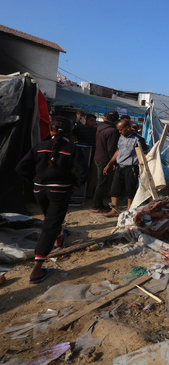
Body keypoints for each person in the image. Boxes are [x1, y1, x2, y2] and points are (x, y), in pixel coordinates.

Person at [16, 117, 88, 284]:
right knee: (50, 225)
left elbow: (20, 168)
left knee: (51, 218)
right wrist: (74, 186)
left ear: (50, 130)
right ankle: (36, 270)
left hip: (39, 190)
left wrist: (35, 180)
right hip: (60, 191)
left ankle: (58, 239)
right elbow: (83, 174)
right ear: (70, 132)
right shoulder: (72, 149)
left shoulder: (39, 146)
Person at [103, 120, 147, 217]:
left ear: (128, 128)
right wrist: (110, 163)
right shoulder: (121, 137)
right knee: (115, 189)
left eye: (121, 130)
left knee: (130, 190)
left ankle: (129, 210)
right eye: (118, 130)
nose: (119, 132)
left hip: (131, 168)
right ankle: (114, 210)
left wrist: (142, 169)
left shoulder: (138, 139)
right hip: (120, 167)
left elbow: (144, 155)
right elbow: (118, 151)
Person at [92, 110, 120, 213]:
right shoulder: (112, 131)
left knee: (99, 182)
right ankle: (97, 206)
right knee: (102, 183)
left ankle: (97, 203)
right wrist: (112, 163)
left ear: (106, 117)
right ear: (116, 120)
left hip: (98, 157)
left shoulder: (100, 127)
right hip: (105, 159)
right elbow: (111, 149)